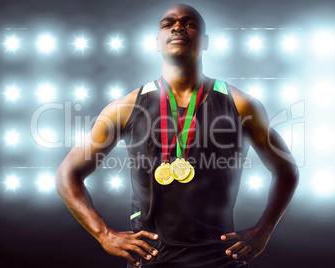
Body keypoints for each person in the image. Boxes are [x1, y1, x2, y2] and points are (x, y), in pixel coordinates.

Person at [56, 4, 299, 268]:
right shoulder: (125, 108)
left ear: (204, 42)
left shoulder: (240, 105)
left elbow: (287, 170)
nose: (178, 27)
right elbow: (66, 174)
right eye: (167, 23)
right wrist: (104, 234)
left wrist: (263, 231)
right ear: (156, 43)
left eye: (190, 23)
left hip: (220, 260)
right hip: (150, 260)